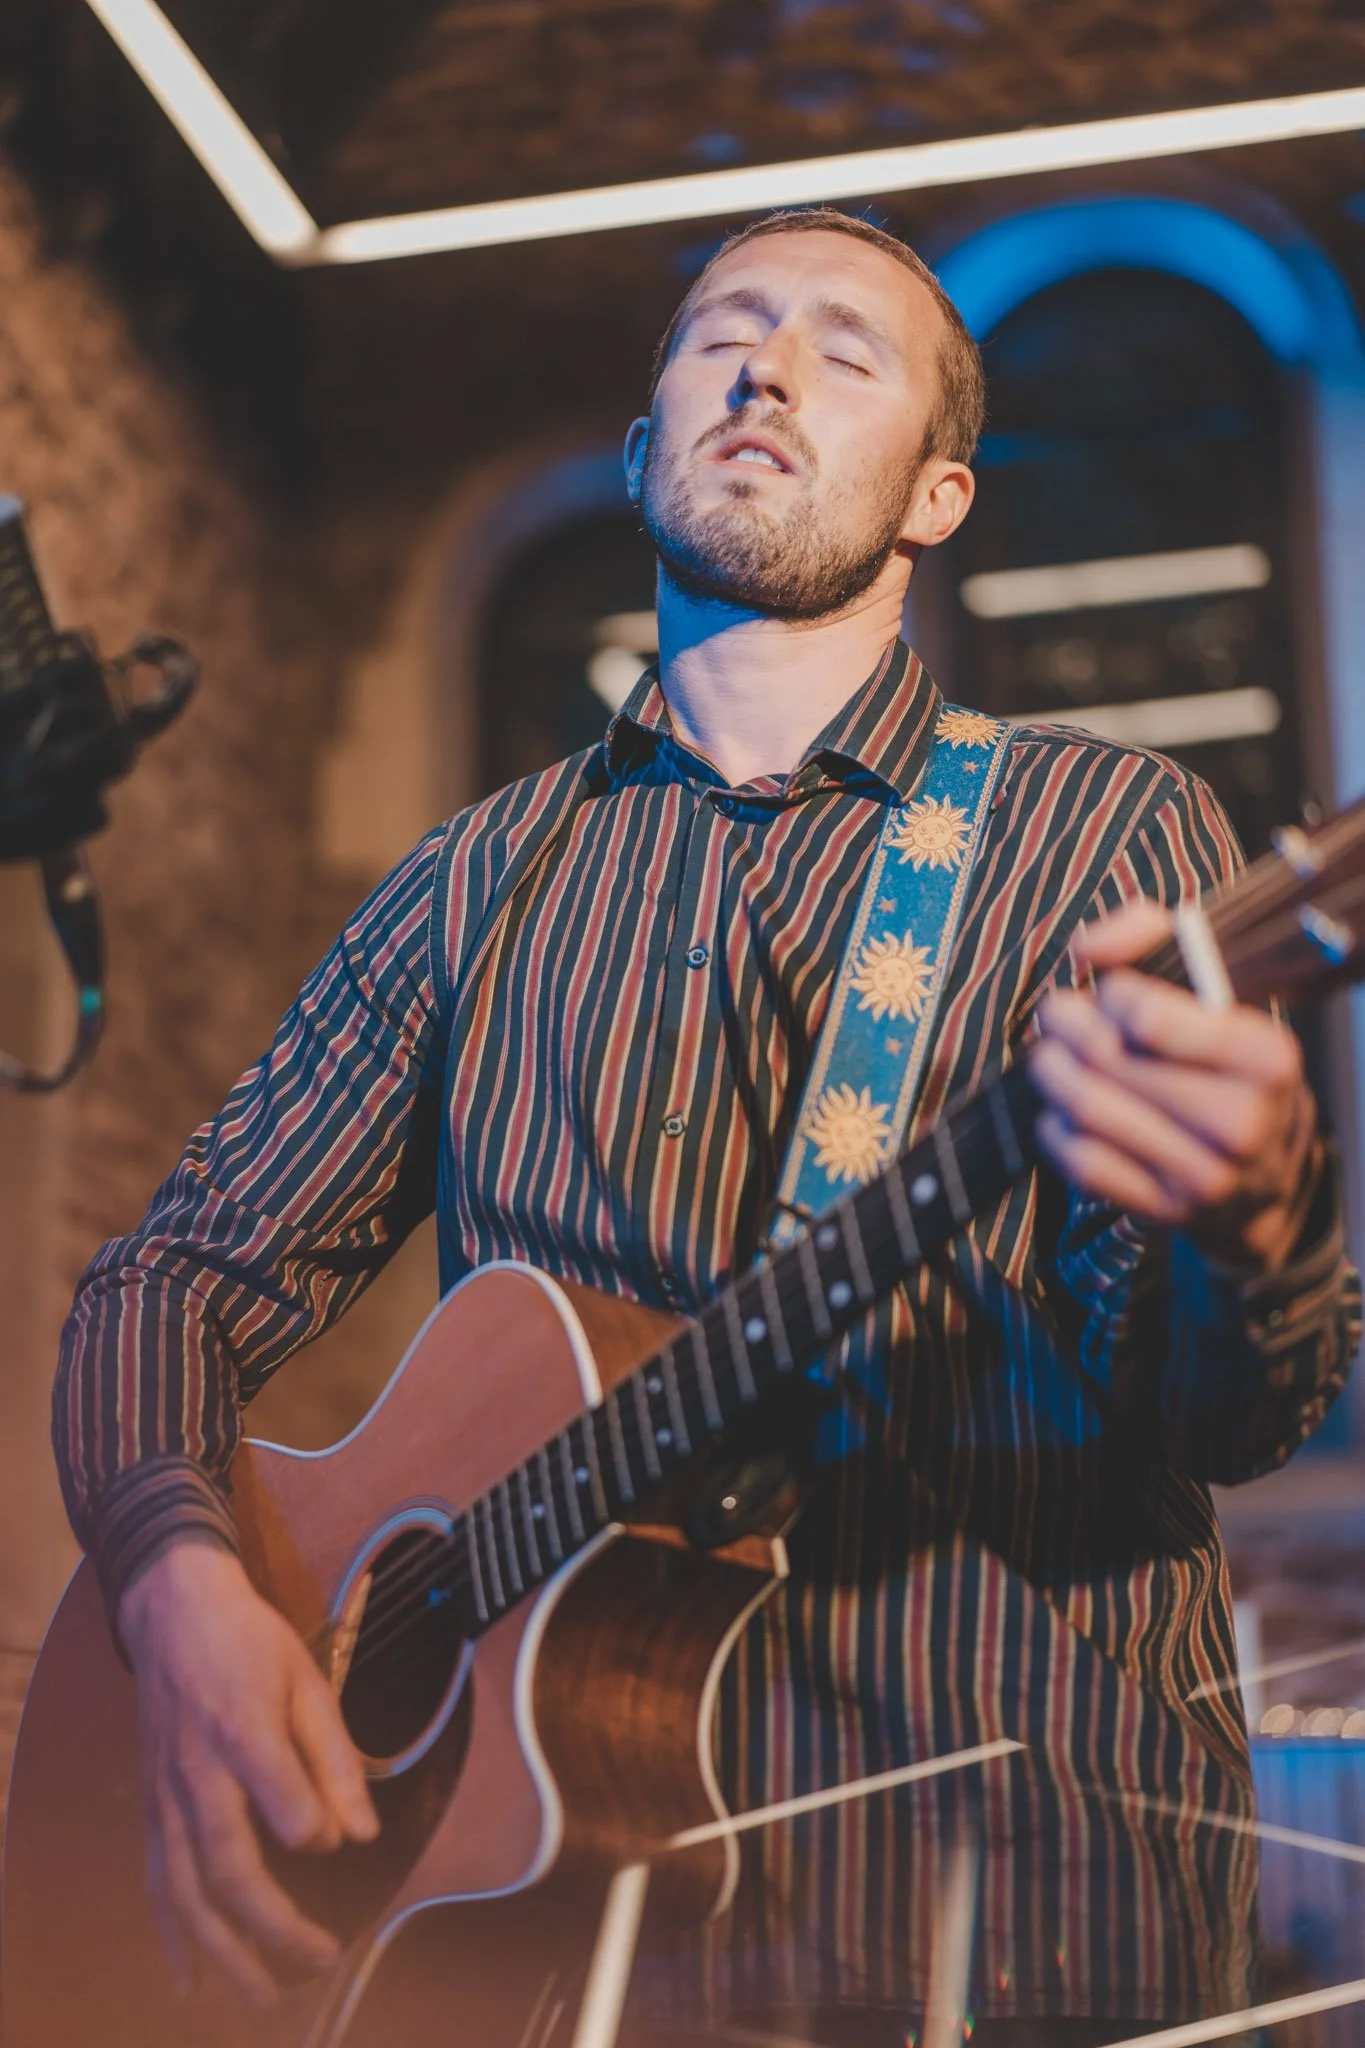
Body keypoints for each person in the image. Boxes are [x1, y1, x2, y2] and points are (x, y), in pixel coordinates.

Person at [54, 208, 1359, 2045]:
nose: (767, 368)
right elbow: (171, 1282)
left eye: (848, 351)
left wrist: (1258, 1227)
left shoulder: (1102, 837)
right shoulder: (473, 884)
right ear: (643, 439)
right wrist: (180, 1587)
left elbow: (1226, 1413)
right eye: (720, 334)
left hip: (1008, 1904)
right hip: (517, 1952)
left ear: (936, 497)